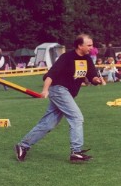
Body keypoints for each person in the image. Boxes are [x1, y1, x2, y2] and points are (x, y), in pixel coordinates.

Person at [14, 34, 104, 163]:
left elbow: (92, 76)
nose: (92, 47)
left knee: (48, 124)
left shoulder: (87, 59)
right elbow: (51, 74)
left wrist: (97, 80)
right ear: (80, 45)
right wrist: (45, 90)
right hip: (59, 90)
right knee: (76, 117)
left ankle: (22, 146)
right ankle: (76, 151)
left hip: (67, 94)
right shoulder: (66, 57)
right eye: (89, 45)